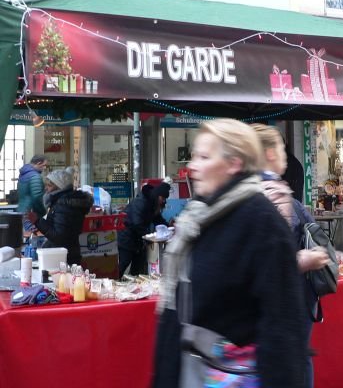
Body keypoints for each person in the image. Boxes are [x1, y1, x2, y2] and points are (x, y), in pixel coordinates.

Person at [153, 119, 306, 388]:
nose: (192, 167)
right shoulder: (197, 217)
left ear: (234, 163)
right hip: (191, 371)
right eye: (194, 156)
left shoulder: (262, 222)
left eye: (204, 157)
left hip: (232, 377)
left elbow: (282, 327)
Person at [252, 123, 329, 388]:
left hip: (271, 300)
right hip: (288, 297)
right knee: (295, 362)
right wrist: (307, 259)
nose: (286, 156)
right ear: (271, 153)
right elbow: (274, 255)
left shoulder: (249, 189)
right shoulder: (274, 192)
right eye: (282, 150)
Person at [26, 167, 93, 266]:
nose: (46, 189)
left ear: (59, 187)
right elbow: (58, 228)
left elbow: (59, 236)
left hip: (64, 258)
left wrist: (37, 221)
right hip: (65, 254)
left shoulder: (64, 205)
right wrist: (38, 223)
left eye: (49, 186)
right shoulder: (63, 201)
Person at [117, 182, 170, 278]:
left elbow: (158, 219)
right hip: (127, 237)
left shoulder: (153, 204)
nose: (164, 201)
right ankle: (112, 283)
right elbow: (137, 223)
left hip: (138, 239)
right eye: (163, 198)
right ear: (158, 196)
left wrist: (168, 227)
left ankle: (133, 287)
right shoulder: (141, 202)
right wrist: (148, 236)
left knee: (138, 268)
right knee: (124, 263)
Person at [17, 155, 48, 233]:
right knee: (34, 236)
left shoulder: (23, 174)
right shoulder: (35, 176)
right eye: (44, 165)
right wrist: (43, 211)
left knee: (26, 236)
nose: (45, 168)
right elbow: (37, 197)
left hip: (22, 209)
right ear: (38, 163)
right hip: (31, 212)